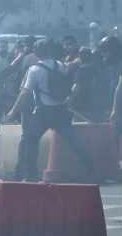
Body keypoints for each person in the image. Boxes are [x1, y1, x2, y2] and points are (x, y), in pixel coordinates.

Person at [7, 39, 97, 182]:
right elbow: (71, 66)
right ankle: (92, 171)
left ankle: (30, 175)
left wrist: (13, 111)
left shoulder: (34, 69)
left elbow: (25, 92)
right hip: (61, 110)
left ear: (36, 53)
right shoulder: (58, 65)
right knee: (74, 141)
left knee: (31, 141)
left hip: (43, 111)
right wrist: (81, 57)